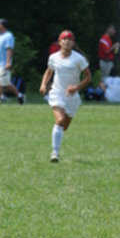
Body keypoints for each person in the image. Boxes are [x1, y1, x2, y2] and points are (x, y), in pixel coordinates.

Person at [39, 30, 92, 162]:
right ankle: (55, 153)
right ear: (59, 42)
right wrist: (43, 84)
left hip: (72, 97)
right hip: (57, 93)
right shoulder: (53, 57)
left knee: (64, 126)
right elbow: (49, 71)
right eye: (64, 39)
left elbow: (88, 77)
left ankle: (57, 139)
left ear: (73, 43)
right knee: (60, 120)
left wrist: (76, 88)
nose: (67, 41)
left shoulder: (79, 59)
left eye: (69, 39)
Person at [0, 18, 24, 105]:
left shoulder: (8, 36)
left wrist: (8, 62)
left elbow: (9, 49)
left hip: (3, 63)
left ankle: (19, 95)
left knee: (5, 82)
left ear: (3, 26)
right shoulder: (0, 36)